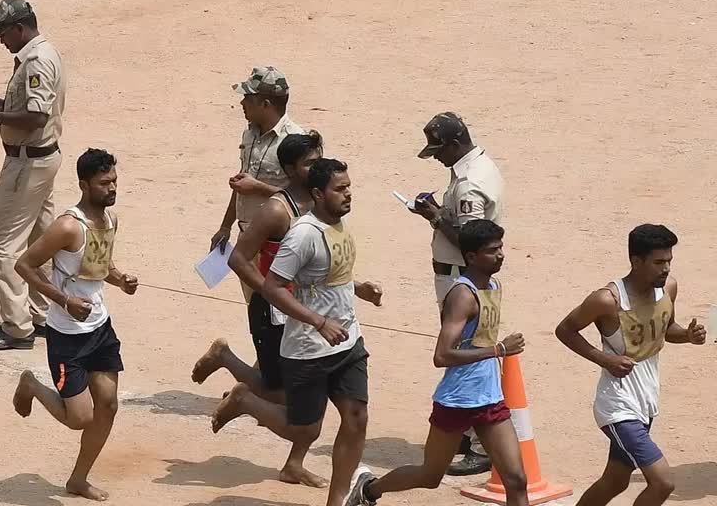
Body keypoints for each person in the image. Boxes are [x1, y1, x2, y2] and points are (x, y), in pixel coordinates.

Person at [210, 158, 383, 506]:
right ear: (318, 194)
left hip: (348, 341)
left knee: (356, 416)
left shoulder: (339, 224)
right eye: (340, 189)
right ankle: (246, 400)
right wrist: (318, 322)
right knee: (304, 429)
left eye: (349, 187)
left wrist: (358, 287)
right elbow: (274, 287)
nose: (348, 194)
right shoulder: (302, 234)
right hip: (308, 348)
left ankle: (337, 500)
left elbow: (329, 274)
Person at [345, 220, 528, 506]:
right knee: (430, 476)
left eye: (501, 247)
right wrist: (499, 350)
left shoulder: (493, 285)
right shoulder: (462, 296)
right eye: (493, 250)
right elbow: (441, 356)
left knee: (517, 480)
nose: (501, 254)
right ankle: (369, 490)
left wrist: (496, 351)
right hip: (457, 401)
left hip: (490, 398)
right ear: (471, 257)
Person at [191, 132, 325, 487]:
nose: (319, 167)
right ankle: (243, 397)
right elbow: (240, 257)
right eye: (311, 162)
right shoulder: (278, 209)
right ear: (291, 169)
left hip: (309, 308)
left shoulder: (319, 199)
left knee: (309, 390)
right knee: (283, 395)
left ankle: (292, 462)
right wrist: (270, 293)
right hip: (278, 310)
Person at [12, 149, 137, 501]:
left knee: (109, 404)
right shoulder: (68, 226)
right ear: (84, 185)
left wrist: (121, 279)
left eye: (113, 180)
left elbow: (100, 265)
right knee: (79, 417)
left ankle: (78, 479)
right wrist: (64, 300)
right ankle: (31, 385)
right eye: (103, 183)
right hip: (67, 335)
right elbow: (24, 265)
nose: (112, 188)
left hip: (100, 329)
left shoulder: (110, 220)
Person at [555, 224, 707, 506]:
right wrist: (605, 359)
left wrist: (687, 335)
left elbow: (666, 328)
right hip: (618, 405)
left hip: (646, 401)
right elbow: (565, 330)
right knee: (663, 482)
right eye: (659, 262)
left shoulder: (668, 289)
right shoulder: (607, 300)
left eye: (669, 261)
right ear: (636, 261)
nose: (666, 268)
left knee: (615, 480)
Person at [413, 112, 504, 475]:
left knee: (466, 351)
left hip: (459, 279)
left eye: (438, 150)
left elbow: (472, 241)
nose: (436, 156)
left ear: (454, 144)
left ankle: (481, 444)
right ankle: (468, 432)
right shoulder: (482, 163)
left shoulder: (468, 184)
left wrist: (434, 215)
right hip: (468, 278)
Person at [0, 0, 67, 350]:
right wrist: (4, 104)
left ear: (19, 28)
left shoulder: (37, 61)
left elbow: (36, 117)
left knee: (2, 243)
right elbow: (31, 108)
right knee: (40, 241)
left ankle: (17, 326)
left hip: (28, 162)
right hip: (43, 159)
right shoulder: (45, 52)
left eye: (2, 33)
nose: (0, 40)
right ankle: (41, 314)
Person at [209, 66, 304, 303]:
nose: (242, 103)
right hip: (248, 244)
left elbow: (307, 199)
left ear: (266, 104)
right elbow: (244, 181)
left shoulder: (295, 141)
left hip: (280, 248)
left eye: (248, 98)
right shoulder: (250, 134)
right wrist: (225, 227)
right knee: (257, 314)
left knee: (283, 314)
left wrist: (258, 188)